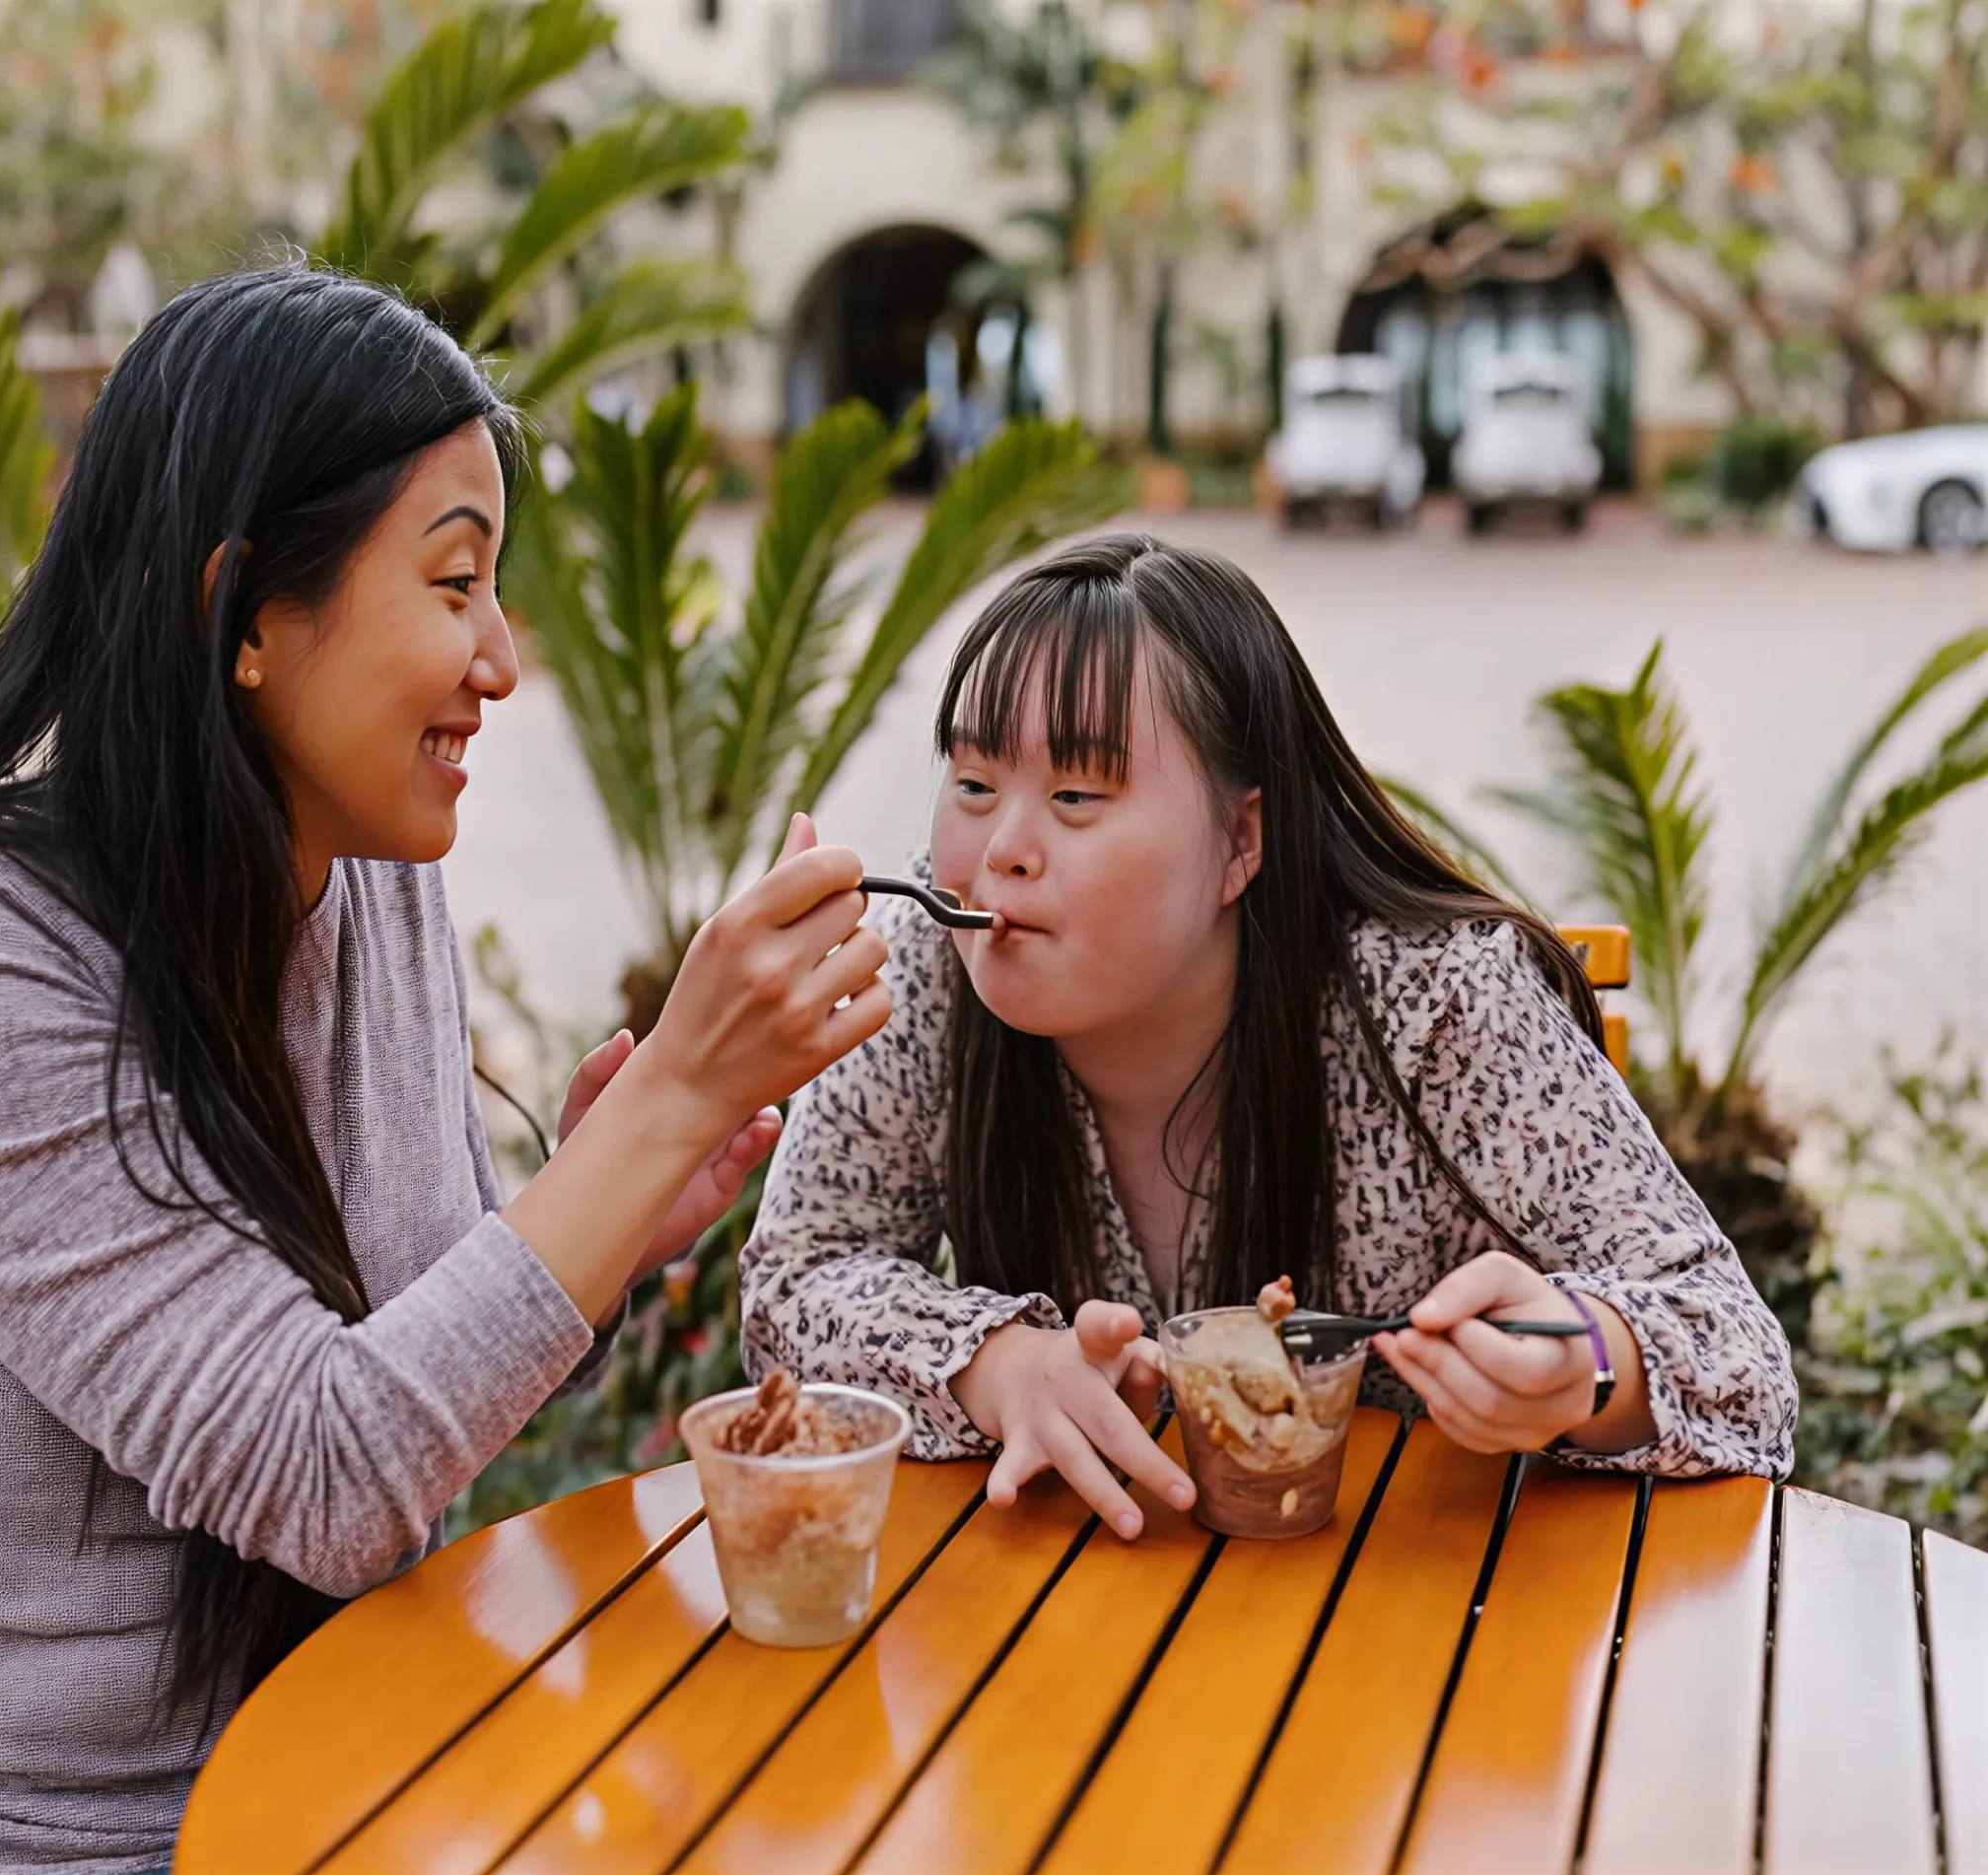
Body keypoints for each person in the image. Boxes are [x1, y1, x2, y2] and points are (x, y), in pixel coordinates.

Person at [0, 263, 893, 1875]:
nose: (502, 658)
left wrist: (603, 1224)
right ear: (245, 614)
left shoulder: (368, 872)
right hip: (53, 1845)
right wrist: (659, 1111)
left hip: (363, 1768)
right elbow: (323, 1475)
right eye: (453, 584)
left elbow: (394, 1389)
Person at [740, 532, 1795, 1542]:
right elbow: (794, 1283)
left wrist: (1589, 1368)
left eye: (1075, 794)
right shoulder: (927, 960)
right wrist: (994, 1364)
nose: (1001, 850)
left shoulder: (1438, 1002)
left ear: (1239, 839)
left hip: (1436, 1628)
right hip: (1080, 1628)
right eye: (973, 784)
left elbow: (1734, 1359)